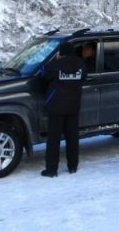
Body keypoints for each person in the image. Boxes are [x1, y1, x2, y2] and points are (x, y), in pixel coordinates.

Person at [39, 42, 86, 177]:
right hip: (73, 106)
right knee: (72, 138)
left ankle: (51, 170)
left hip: (56, 107)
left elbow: (42, 73)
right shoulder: (80, 64)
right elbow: (83, 77)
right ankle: (72, 166)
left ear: (61, 52)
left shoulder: (55, 65)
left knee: (54, 139)